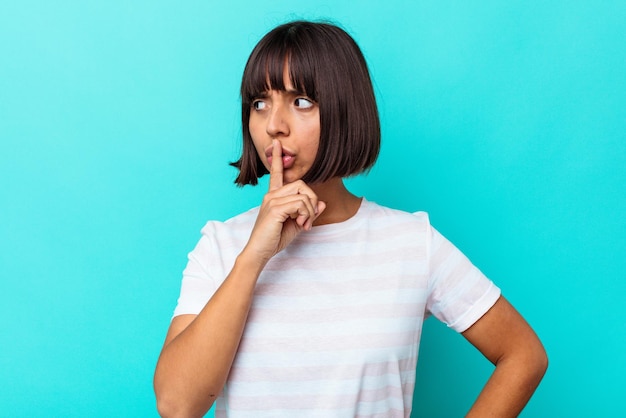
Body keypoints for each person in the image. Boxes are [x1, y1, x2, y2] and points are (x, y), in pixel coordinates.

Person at [153, 20, 547, 418]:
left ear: (344, 109)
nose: (274, 124)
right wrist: (254, 257)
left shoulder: (411, 242)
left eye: (301, 101)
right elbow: (176, 405)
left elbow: (523, 354)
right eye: (260, 103)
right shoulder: (221, 245)